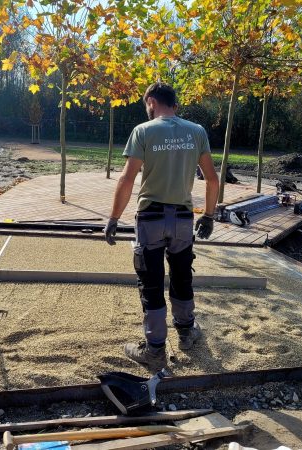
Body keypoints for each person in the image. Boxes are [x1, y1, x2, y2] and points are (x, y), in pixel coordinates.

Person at [104, 82, 219, 371]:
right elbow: (212, 179)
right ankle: (186, 333)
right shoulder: (197, 131)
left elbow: (127, 180)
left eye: (147, 105)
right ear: (175, 105)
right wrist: (209, 215)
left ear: (152, 101)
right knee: (182, 276)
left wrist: (114, 218)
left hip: (151, 219)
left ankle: (155, 350)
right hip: (182, 219)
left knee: (151, 282)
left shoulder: (143, 131)